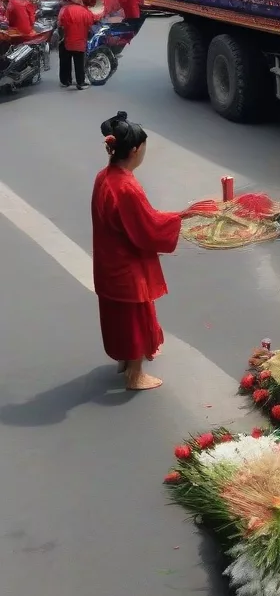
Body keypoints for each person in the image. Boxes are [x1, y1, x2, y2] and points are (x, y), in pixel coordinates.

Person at [92, 112, 183, 391]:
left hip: (108, 261)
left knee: (117, 317)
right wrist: (179, 217)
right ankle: (134, 373)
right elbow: (147, 226)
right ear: (134, 150)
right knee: (134, 319)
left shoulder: (104, 177)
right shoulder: (127, 187)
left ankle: (124, 361)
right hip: (127, 266)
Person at [58, 0, 96, 89]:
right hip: (80, 40)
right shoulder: (85, 11)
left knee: (65, 61)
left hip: (67, 39)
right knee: (79, 62)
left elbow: (61, 24)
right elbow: (90, 24)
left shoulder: (65, 10)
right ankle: (80, 82)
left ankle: (66, 81)